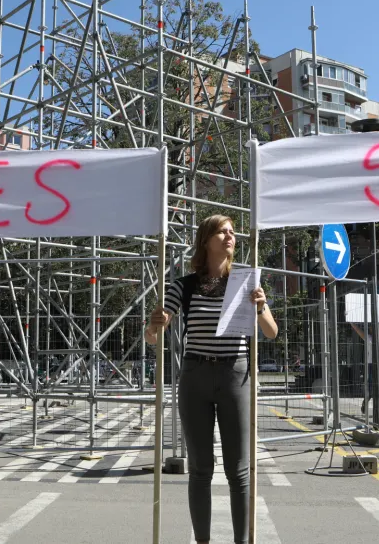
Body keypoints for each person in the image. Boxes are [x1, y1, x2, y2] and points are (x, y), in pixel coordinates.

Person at [144, 215, 278, 544]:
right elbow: (152, 337)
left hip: (236, 374)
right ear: (206, 239)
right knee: (201, 467)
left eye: (232, 232)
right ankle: (202, 541)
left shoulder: (247, 283)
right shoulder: (183, 286)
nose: (230, 236)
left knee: (239, 470)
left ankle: (241, 541)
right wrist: (154, 323)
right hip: (195, 376)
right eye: (222, 231)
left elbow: (272, 333)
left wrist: (261, 307)